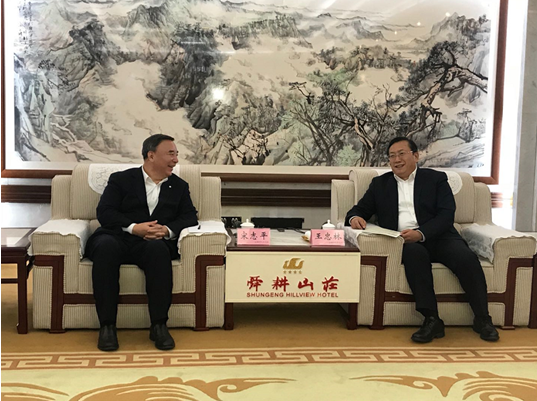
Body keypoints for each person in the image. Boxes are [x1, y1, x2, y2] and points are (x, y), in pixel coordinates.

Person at [345, 137, 499, 343]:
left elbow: (446, 215)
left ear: (416, 156)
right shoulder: (380, 184)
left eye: (401, 154)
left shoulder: (435, 179)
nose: (396, 160)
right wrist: (355, 218)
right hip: (407, 241)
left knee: (466, 258)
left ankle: (482, 318)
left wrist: (422, 233)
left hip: (440, 236)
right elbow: (358, 210)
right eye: (392, 156)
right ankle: (432, 319)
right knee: (414, 257)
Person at [85, 134, 198, 351]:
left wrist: (166, 230)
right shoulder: (121, 180)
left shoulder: (179, 186)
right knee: (105, 248)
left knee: (158, 251)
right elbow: (105, 212)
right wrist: (133, 227)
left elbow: (189, 216)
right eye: (171, 154)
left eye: (176, 154)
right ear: (151, 155)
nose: (175, 160)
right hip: (117, 236)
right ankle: (107, 326)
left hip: (152, 242)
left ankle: (159, 325)